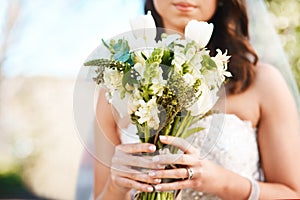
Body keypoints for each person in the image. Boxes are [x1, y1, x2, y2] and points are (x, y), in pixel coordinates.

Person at [93, 0, 300, 199]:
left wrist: (222, 182)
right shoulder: (118, 84)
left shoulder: (261, 82)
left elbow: (293, 194)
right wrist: (117, 185)